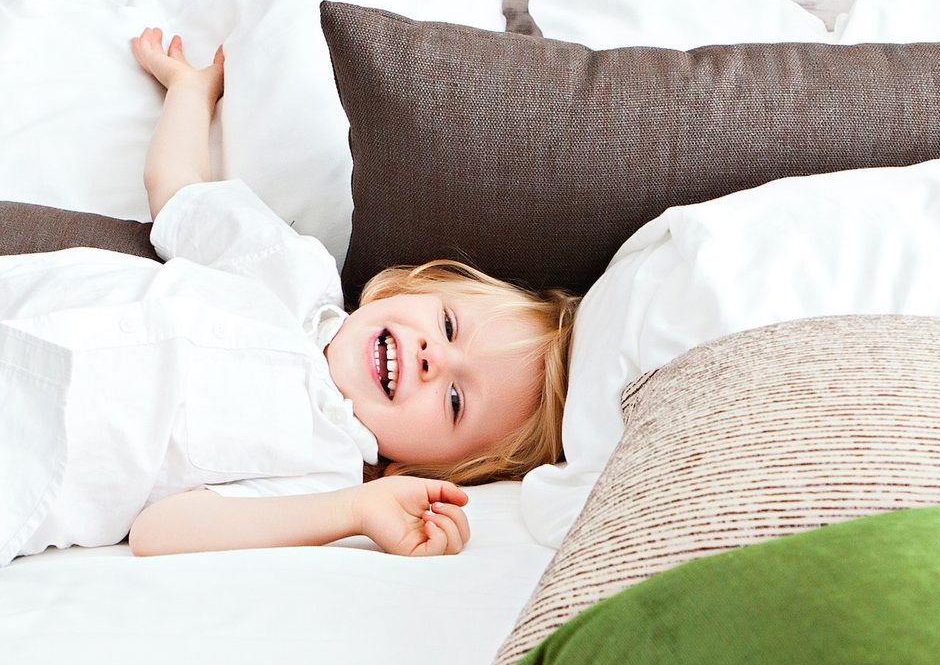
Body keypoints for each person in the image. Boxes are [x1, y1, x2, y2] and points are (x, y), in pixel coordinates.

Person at [0, 29, 577, 565]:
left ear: (425, 467)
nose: (433, 358)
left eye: (454, 400)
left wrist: (355, 511)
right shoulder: (292, 271)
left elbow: (160, 530)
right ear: (412, 288)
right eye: (448, 326)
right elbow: (179, 194)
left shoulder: (326, 471)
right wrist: (189, 93)